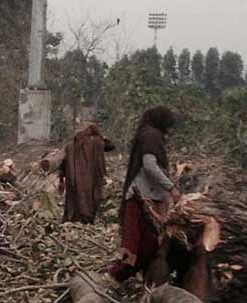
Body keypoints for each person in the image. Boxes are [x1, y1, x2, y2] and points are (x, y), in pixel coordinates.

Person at [107, 106, 181, 284]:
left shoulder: (150, 134)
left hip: (149, 198)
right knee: (131, 245)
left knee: (149, 246)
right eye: (168, 125)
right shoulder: (151, 135)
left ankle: (123, 276)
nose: (169, 130)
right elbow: (149, 165)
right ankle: (111, 277)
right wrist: (171, 188)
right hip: (140, 199)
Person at [58, 123, 115, 223]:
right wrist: (102, 137)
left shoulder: (70, 146)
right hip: (91, 179)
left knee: (76, 200)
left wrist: (61, 177)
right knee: (90, 199)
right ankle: (87, 219)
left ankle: (75, 219)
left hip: (74, 181)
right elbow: (111, 146)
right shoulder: (97, 142)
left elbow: (63, 162)